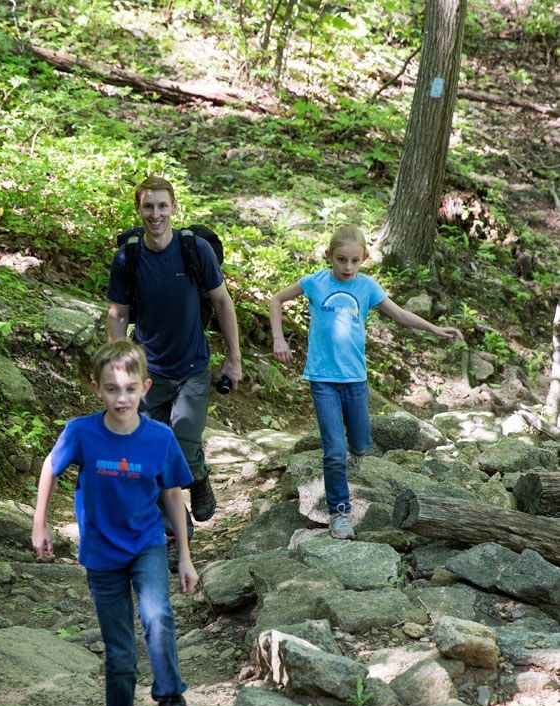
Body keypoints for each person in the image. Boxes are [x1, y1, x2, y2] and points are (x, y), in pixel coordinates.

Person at [31, 340, 200, 706]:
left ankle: (170, 699)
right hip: (102, 556)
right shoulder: (82, 432)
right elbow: (50, 467)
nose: (120, 398)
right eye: (111, 389)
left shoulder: (159, 438)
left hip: (146, 545)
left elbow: (173, 493)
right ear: (97, 389)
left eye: (129, 388)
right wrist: (40, 524)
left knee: (158, 615)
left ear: (145, 387)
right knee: (120, 653)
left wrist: (184, 556)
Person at [269, 224, 461, 540]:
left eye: (354, 261)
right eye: (341, 260)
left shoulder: (367, 287)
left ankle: (354, 457)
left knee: (360, 444)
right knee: (334, 449)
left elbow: (400, 315)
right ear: (329, 256)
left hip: (356, 380)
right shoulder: (316, 283)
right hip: (323, 380)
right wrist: (279, 339)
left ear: (363, 259)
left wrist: (435, 329)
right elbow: (276, 300)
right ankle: (340, 513)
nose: (347, 267)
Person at [106, 175, 242, 567]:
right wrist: (119, 366)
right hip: (149, 373)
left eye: (162, 206)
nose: (155, 214)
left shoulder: (194, 250)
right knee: (151, 455)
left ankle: (197, 477)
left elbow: (221, 303)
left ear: (174, 208)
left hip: (194, 368)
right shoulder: (128, 257)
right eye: (148, 207)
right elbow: (118, 314)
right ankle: (172, 531)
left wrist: (233, 360)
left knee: (181, 439)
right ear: (139, 209)